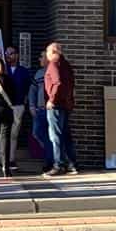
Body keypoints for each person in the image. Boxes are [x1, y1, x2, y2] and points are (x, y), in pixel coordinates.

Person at [44, 41, 78, 177]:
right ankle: (71, 164)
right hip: (65, 105)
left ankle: (58, 165)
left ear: (53, 52)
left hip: (56, 105)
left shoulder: (53, 64)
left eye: (47, 52)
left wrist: (51, 99)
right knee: (65, 135)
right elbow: (71, 84)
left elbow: (57, 82)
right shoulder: (66, 65)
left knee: (55, 136)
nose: (46, 55)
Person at [3, 46, 31, 171]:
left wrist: (25, 102)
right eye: (6, 54)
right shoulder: (3, 70)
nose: (9, 56)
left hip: (18, 105)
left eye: (11, 53)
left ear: (17, 55)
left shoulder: (23, 71)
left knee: (14, 133)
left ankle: (11, 159)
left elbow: (28, 88)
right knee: (2, 132)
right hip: (4, 105)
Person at [28, 51, 54, 173]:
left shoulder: (54, 72)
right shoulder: (39, 73)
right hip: (39, 110)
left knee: (53, 136)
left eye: (41, 56)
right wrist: (32, 106)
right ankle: (51, 156)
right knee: (37, 133)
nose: (39, 59)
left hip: (52, 110)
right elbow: (32, 91)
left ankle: (51, 161)